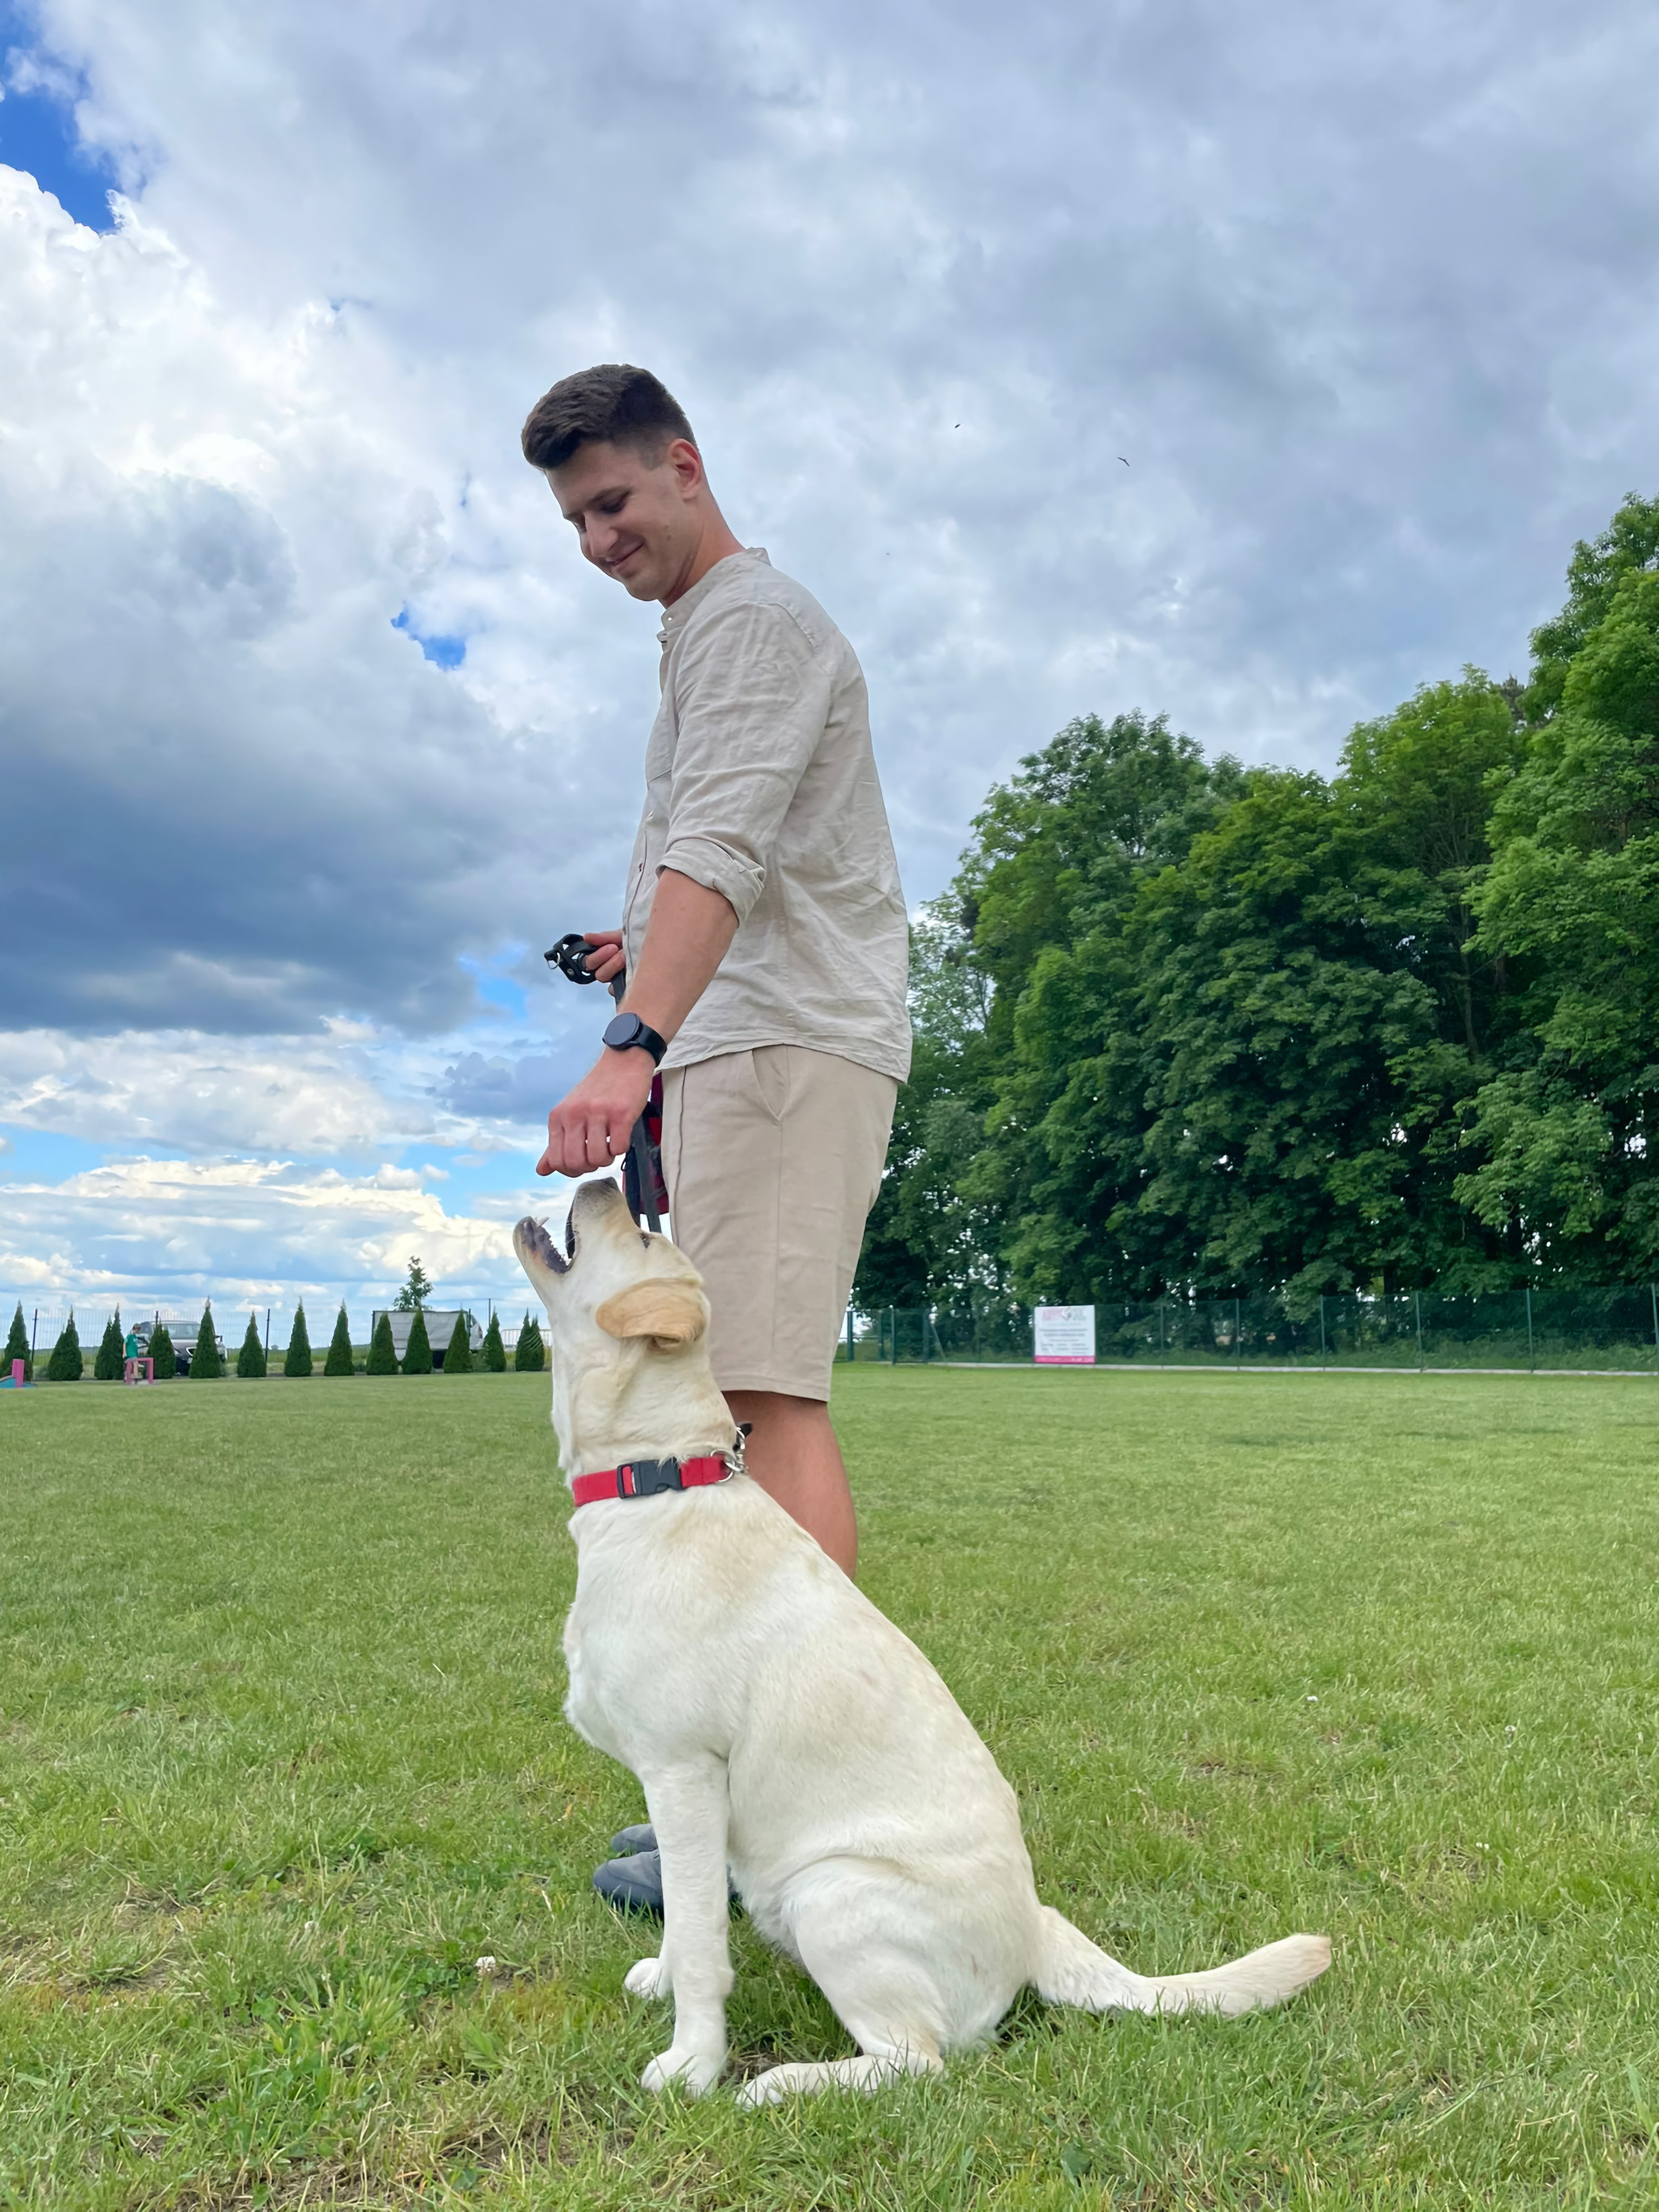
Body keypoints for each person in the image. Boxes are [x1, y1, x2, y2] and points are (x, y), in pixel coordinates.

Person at [521, 363, 911, 1909]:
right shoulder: (706, 634)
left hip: (781, 1046)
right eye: (575, 520)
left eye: (613, 501)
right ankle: (766, 1783)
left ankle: (793, 1796)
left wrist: (631, 1044)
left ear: (684, 464)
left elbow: (725, 849)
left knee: (767, 1397)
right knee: (749, 1401)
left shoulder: (752, 620)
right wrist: (639, 953)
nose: (597, 539)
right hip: (749, 1039)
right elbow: (741, 858)